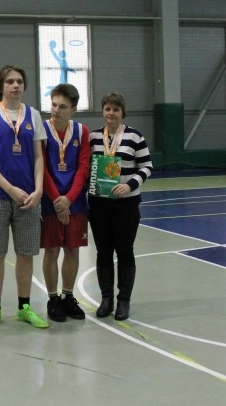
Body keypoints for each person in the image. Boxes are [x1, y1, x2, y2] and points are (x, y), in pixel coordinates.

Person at [0, 65, 49, 331]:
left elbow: (39, 157)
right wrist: (9, 188)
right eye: (9, 81)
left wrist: (38, 190)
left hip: (28, 197)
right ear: (1, 86)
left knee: (26, 254)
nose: (15, 85)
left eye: (19, 81)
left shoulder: (33, 115)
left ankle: (24, 307)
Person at [88, 92, 152, 321]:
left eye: (115, 109)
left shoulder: (135, 136)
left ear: (122, 112)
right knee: (103, 251)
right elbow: (86, 167)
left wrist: (129, 185)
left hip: (126, 204)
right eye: (107, 109)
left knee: (125, 251)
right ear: (102, 111)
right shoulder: (93, 137)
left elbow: (147, 166)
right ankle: (106, 299)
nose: (111, 113)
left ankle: (124, 300)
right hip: (99, 205)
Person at [41, 84, 90, 322]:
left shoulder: (81, 132)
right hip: (50, 201)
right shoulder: (41, 130)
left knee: (72, 249)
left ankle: (68, 296)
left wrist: (69, 199)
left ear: (73, 109)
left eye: (62, 107)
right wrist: (57, 201)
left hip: (75, 201)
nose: (56, 110)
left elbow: (83, 167)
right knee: (51, 250)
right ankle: (52, 299)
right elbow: (40, 168)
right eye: (54, 105)